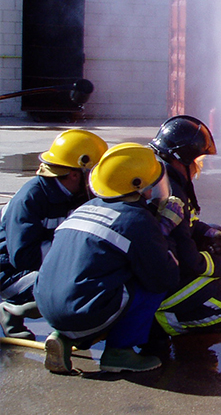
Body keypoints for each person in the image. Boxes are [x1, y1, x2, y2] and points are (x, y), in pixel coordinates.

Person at [34, 143, 180, 374]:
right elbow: (164, 277)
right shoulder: (136, 219)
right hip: (82, 311)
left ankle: (62, 338)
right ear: (137, 185)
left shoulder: (86, 207)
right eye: (152, 184)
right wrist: (166, 230)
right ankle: (119, 353)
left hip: (47, 306)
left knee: (98, 281)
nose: (154, 191)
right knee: (149, 284)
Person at [0, 129, 108, 340]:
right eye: (93, 173)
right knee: (80, 288)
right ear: (76, 173)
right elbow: (23, 257)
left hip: (45, 267)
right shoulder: (31, 198)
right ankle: (13, 310)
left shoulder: (75, 194)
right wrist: (72, 248)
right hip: (10, 273)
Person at [148, 115, 221, 339]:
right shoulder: (171, 192)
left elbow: (186, 225)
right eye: (197, 158)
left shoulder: (162, 176)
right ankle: (156, 324)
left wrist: (211, 233)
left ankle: (191, 301)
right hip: (161, 281)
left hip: (159, 265)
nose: (199, 165)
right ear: (180, 158)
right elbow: (191, 262)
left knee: (213, 231)